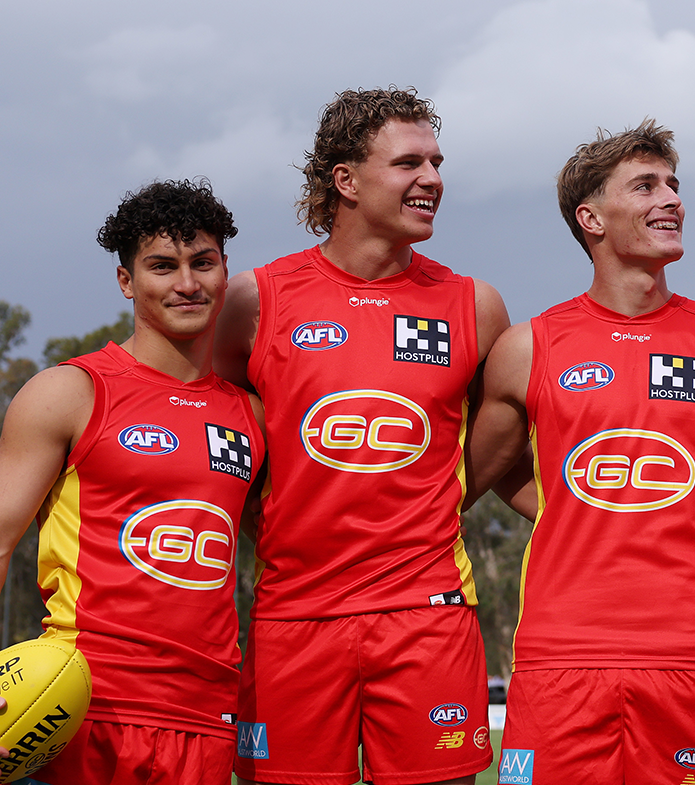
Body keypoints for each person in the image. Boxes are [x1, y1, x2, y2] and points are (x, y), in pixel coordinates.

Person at [467, 120, 695, 784]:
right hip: (558, 659)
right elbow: (473, 476)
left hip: (693, 655)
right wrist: (578, 504)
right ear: (591, 218)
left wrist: (694, 493)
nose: (672, 199)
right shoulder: (526, 349)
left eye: (673, 184)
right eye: (646, 185)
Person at [0, 179, 266, 784]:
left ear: (224, 269)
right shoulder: (70, 393)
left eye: (202, 263)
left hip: (207, 720)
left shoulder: (254, 415)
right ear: (127, 282)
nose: (187, 283)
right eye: (162, 266)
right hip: (81, 711)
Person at [213, 87, 509, 785]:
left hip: (426, 612)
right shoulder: (255, 299)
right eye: (408, 163)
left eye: (436, 163)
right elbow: (214, 424)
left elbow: (505, 440)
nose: (432, 179)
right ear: (344, 179)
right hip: (294, 613)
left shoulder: (476, 305)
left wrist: (433, 503)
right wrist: (270, 518)